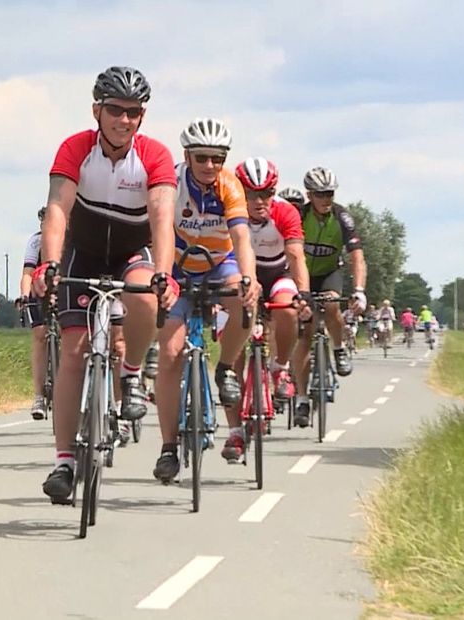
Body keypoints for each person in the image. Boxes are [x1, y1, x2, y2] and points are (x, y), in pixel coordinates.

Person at [32, 66, 178, 502]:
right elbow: (57, 209)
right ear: (97, 110)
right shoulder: (75, 149)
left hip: (132, 250)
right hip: (84, 250)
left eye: (134, 112)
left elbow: (162, 219)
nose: (125, 119)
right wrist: (49, 266)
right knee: (74, 354)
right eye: (116, 109)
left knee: (144, 299)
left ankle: (131, 371)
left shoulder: (154, 155)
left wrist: (163, 275)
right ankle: (63, 461)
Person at [153, 119, 260, 480]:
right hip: (178, 264)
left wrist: (250, 279)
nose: (210, 165)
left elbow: (242, 238)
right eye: (202, 158)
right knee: (169, 355)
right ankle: (169, 446)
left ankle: (226, 366)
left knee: (244, 300)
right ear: (187, 155)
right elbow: (161, 228)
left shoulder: (230, 186)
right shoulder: (172, 182)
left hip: (219, 262)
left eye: (218, 158)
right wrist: (165, 278)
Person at [220, 156, 308, 463]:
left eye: (266, 193)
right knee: (232, 348)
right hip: (238, 275)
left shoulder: (285, 212)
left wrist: (305, 295)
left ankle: (280, 367)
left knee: (286, 308)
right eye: (252, 194)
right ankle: (235, 432)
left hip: (276, 275)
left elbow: (296, 257)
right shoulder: (228, 209)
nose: (260, 201)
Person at [292, 167, 367, 428]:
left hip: (329, 273)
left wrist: (359, 290)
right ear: (309, 195)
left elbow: (356, 255)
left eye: (330, 194)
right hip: (301, 275)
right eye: (320, 194)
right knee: (304, 333)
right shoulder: (299, 216)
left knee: (333, 305)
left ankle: (338, 350)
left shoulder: (342, 217)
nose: (326, 199)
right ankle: (301, 399)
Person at [18, 206, 50, 420]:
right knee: (39, 335)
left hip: (65, 289)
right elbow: (27, 272)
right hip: (39, 291)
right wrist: (23, 295)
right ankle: (39, 395)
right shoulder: (36, 241)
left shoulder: (74, 239)